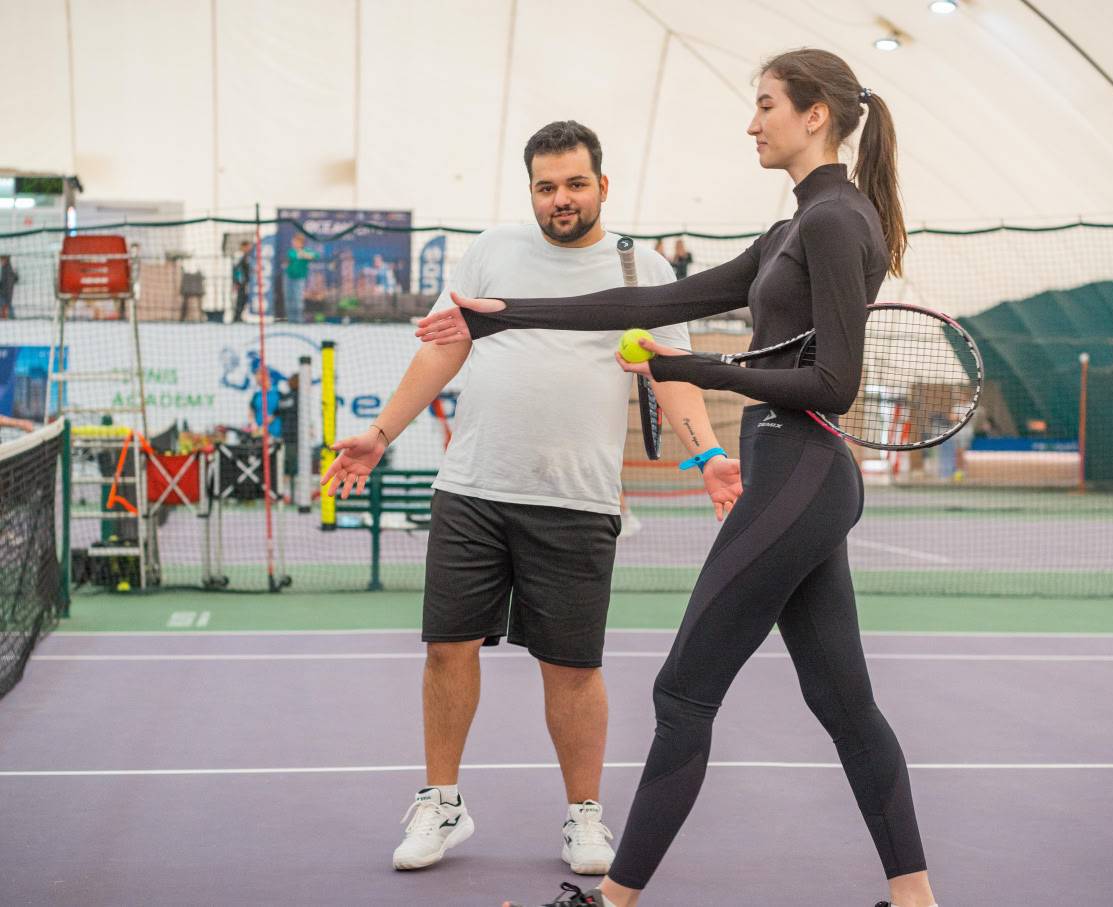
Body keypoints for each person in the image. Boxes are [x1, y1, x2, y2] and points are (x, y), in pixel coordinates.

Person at [418, 49, 938, 907]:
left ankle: (612, 900)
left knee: (683, 692)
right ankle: (916, 898)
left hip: (800, 473)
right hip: (795, 477)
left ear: (814, 115)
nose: (751, 122)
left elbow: (834, 384)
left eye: (766, 104)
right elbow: (653, 304)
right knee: (845, 704)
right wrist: (505, 316)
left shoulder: (836, 220)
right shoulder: (795, 227)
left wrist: (699, 368)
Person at [320, 121, 741, 881]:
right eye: (546, 187)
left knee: (571, 667)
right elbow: (445, 346)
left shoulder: (643, 269)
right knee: (447, 648)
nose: (560, 199)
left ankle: (584, 815)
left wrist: (708, 456)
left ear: (602, 186)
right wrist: (380, 435)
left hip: (577, 500)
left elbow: (671, 374)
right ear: (531, 192)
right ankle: (442, 802)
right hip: (472, 487)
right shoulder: (492, 250)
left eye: (575, 184)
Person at [283, 234, 315, 323]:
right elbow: (293, 255)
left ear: (301, 243)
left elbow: (315, 255)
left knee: (298, 299)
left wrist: (303, 254)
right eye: (293, 241)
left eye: (296, 241)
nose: (294, 243)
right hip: (288, 277)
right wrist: (303, 255)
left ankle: (298, 320)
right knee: (289, 299)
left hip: (299, 279)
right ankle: (291, 320)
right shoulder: (291, 251)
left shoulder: (307, 250)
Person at [249, 366, 281, 440]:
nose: (258, 381)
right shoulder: (256, 395)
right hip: (259, 434)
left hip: (275, 434)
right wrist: (253, 424)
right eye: (257, 379)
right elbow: (251, 411)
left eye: (260, 379)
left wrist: (265, 424)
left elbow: (279, 411)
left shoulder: (278, 393)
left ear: (267, 377)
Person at [232, 241, 252, 322]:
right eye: (248, 247)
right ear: (243, 247)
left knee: (244, 299)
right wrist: (236, 281)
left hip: (245, 282)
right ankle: (237, 316)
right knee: (240, 299)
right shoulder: (238, 256)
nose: (249, 249)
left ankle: (239, 316)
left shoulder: (247, 256)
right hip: (241, 282)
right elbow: (237, 270)